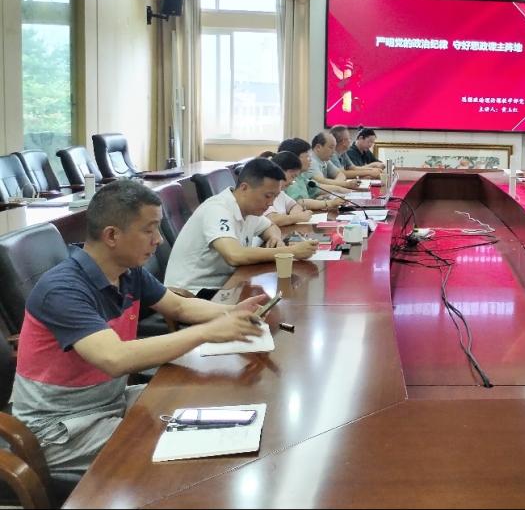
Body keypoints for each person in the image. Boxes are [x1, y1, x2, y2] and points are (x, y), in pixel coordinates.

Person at [11, 180, 269, 474]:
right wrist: (206, 332)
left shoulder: (128, 272)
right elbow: (115, 358)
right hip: (58, 429)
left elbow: (180, 307)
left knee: (205, 401)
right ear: (112, 235)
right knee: (193, 449)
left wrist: (232, 312)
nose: (158, 240)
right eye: (149, 230)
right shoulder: (63, 289)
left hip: (110, 402)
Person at [164, 158, 317, 296]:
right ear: (244, 188)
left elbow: (270, 226)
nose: (271, 203)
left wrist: (275, 238)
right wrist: (291, 251)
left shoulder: (250, 209)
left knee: (274, 301)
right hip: (191, 294)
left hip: (225, 285)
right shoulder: (217, 209)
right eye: (267, 196)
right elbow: (234, 255)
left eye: (275, 197)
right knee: (270, 307)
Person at [263, 152, 316, 227]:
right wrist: (297, 218)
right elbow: (272, 219)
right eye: (292, 176)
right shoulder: (263, 192)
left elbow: (296, 205)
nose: (292, 182)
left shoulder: (280, 192)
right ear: (280, 171)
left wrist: (293, 216)